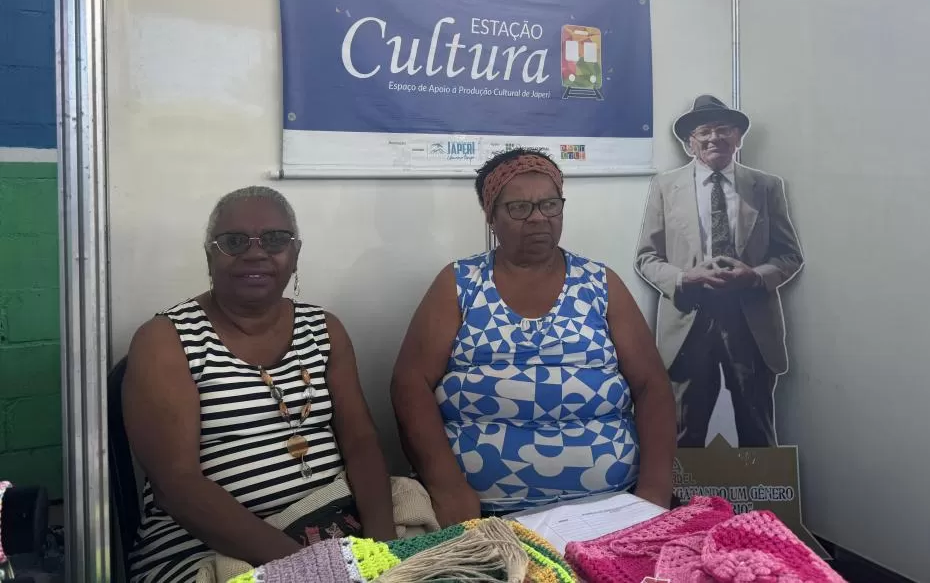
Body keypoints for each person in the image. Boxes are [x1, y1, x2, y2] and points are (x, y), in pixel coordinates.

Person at [124, 186, 394, 583]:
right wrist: (314, 569)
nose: (256, 253)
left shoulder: (324, 329)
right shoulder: (166, 339)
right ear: (209, 255)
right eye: (234, 242)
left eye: (275, 239)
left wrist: (384, 551)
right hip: (204, 550)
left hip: (333, 524)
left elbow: (361, 440)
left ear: (295, 253)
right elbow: (175, 485)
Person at [391, 148, 676, 525]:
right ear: (491, 216)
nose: (539, 217)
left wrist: (653, 494)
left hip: (610, 508)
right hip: (486, 516)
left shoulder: (599, 283)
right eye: (519, 208)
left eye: (549, 204)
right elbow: (409, 384)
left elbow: (652, 386)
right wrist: (447, 488)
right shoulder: (459, 284)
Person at [635, 95, 803, 448]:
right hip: (688, 324)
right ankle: (685, 489)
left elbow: (789, 255)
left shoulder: (766, 186)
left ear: (738, 137)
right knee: (683, 437)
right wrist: (684, 278)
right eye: (705, 131)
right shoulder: (665, 187)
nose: (715, 138)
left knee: (758, 435)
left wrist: (755, 276)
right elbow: (647, 257)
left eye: (724, 129)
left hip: (751, 324)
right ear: (690, 142)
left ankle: (760, 488)